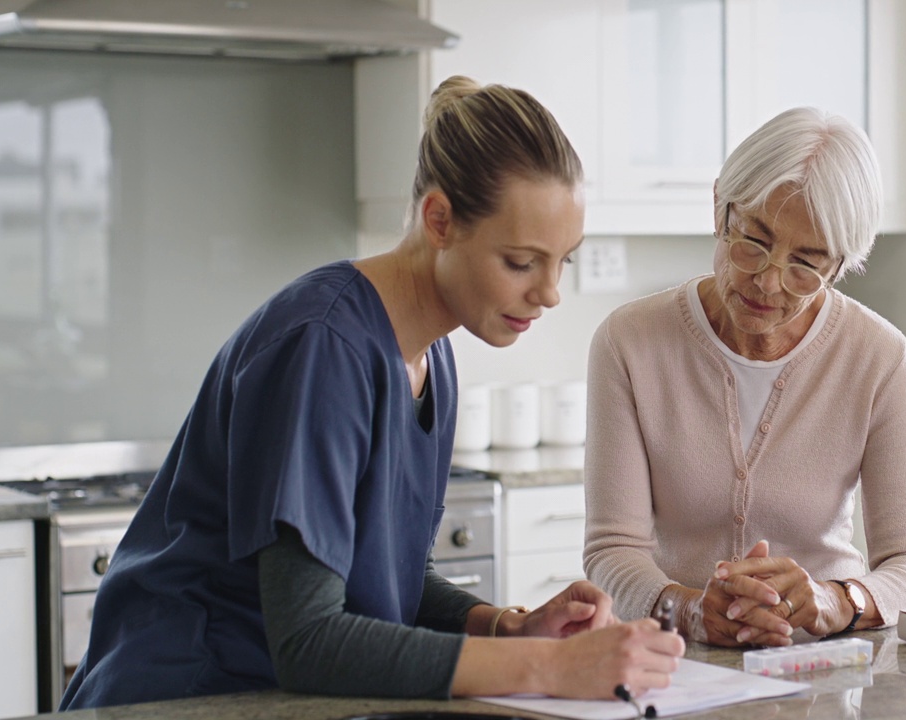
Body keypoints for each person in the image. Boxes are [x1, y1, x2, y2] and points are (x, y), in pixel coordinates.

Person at [61, 76, 683, 710]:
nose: (549, 292)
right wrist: (546, 665)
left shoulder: (431, 355)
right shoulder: (322, 346)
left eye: (564, 262)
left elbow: (392, 583)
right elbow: (310, 639)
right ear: (439, 220)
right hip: (183, 698)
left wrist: (507, 625)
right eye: (522, 262)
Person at [582, 107, 906, 647]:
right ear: (718, 208)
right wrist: (687, 610)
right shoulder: (629, 342)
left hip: (826, 673)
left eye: (805, 264)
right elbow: (612, 549)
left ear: (839, 268)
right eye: (751, 241)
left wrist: (835, 601)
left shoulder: (879, 356)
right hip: (677, 664)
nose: (768, 281)